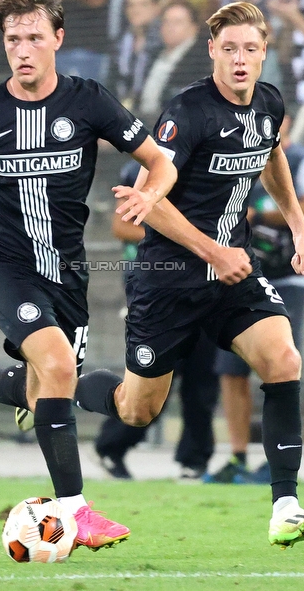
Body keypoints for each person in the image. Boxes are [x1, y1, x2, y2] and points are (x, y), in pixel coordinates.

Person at [0, 0, 177, 549]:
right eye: (12, 38)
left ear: (58, 39)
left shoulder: (88, 101)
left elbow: (158, 161)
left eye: (33, 37)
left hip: (68, 275)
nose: (22, 49)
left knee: (44, 386)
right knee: (54, 365)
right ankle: (76, 512)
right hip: (5, 270)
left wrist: (150, 195)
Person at [73, 1, 304, 548]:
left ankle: (285, 505)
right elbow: (150, 200)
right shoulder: (187, 111)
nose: (241, 60)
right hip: (168, 277)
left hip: (232, 272)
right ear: (212, 50)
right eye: (230, 49)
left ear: (265, 53)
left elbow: (271, 156)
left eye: (251, 49)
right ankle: (51, 385)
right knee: (137, 410)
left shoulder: (267, 103)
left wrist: (298, 227)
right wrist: (214, 251)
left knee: (283, 358)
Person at [206, 129, 304, 484]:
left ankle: (277, 460)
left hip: (289, 277)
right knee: (230, 367)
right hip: (240, 273)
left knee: (279, 364)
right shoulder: (237, 158)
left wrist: (256, 214)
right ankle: (238, 457)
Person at [94, 159, 220, 481]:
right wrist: (180, 241)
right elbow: (122, 225)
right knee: (154, 371)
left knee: (202, 371)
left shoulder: (218, 168)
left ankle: (195, 459)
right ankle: (113, 446)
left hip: (204, 281)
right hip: (154, 283)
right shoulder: (145, 167)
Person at [136, 0, 211, 123]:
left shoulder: (202, 60)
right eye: (166, 22)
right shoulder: (154, 55)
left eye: (177, 22)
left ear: (194, 27)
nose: (170, 27)